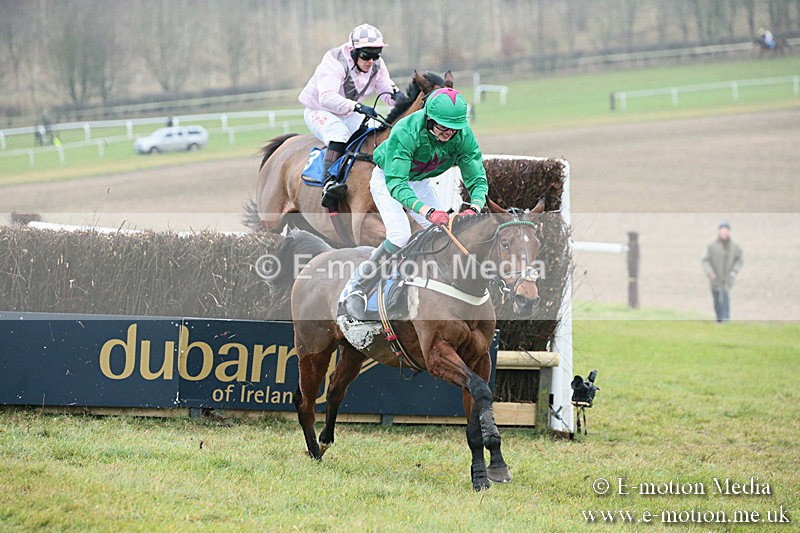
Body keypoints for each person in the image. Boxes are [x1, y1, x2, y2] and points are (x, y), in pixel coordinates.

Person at [342, 87, 488, 319]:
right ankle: (357, 287)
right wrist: (429, 212)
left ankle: (422, 282)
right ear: (429, 118)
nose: (448, 133)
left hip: (420, 182)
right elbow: (398, 185)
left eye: (454, 128)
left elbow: (477, 178)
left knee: (443, 232)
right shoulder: (405, 131)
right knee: (400, 235)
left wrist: (475, 207)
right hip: (388, 179)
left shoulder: (463, 135)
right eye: (442, 127)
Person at [298, 23, 399, 208]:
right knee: (338, 133)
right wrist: (358, 106)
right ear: (353, 51)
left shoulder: (376, 64)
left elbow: (386, 90)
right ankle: (329, 182)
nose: (371, 61)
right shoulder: (335, 60)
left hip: (347, 110)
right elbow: (327, 97)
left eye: (376, 56)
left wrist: (399, 98)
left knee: (376, 130)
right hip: (319, 109)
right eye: (366, 55)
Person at [702, 221, 743, 322]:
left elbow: (739, 260)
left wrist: (734, 271)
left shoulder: (735, 247)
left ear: (729, 232)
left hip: (727, 278)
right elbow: (705, 261)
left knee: (725, 297)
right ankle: (719, 318)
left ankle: (726, 319)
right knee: (716, 299)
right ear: (719, 232)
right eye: (722, 231)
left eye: (726, 231)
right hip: (715, 278)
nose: (724, 233)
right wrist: (710, 272)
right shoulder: (711, 246)